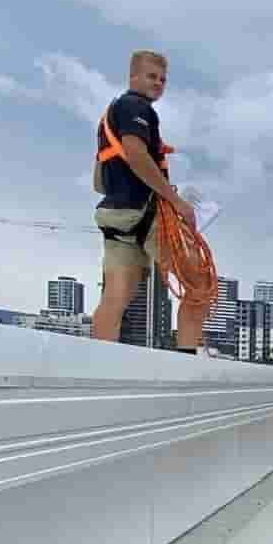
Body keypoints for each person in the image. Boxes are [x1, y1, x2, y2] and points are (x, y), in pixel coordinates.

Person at [89, 48, 205, 350]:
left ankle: (99, 366)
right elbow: (136, 154)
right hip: (146, 212)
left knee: (117, 295)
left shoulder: (111, 114)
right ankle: (187, 363)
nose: (158, 84)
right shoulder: (135, 107)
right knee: (199, 286)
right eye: (151, 77)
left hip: (116, 214)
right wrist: (176, 202)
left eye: (163, 80)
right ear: (133, 77)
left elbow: (99, 179)